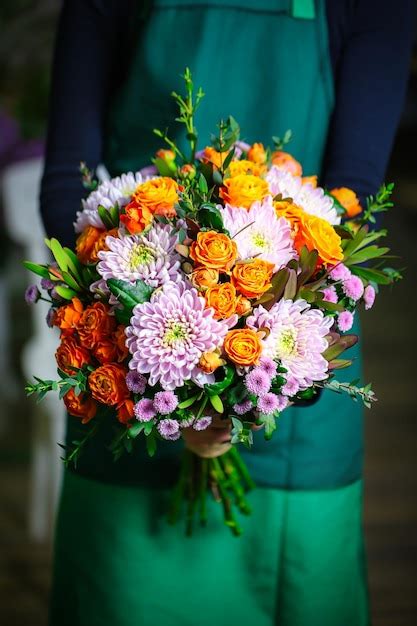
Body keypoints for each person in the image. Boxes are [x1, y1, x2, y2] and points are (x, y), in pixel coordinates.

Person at [40, 1, 414, 625]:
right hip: (128, 366)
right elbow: (64, 184)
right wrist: (144, 349)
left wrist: (246, 375)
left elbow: (352, 201)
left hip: (292, 370)